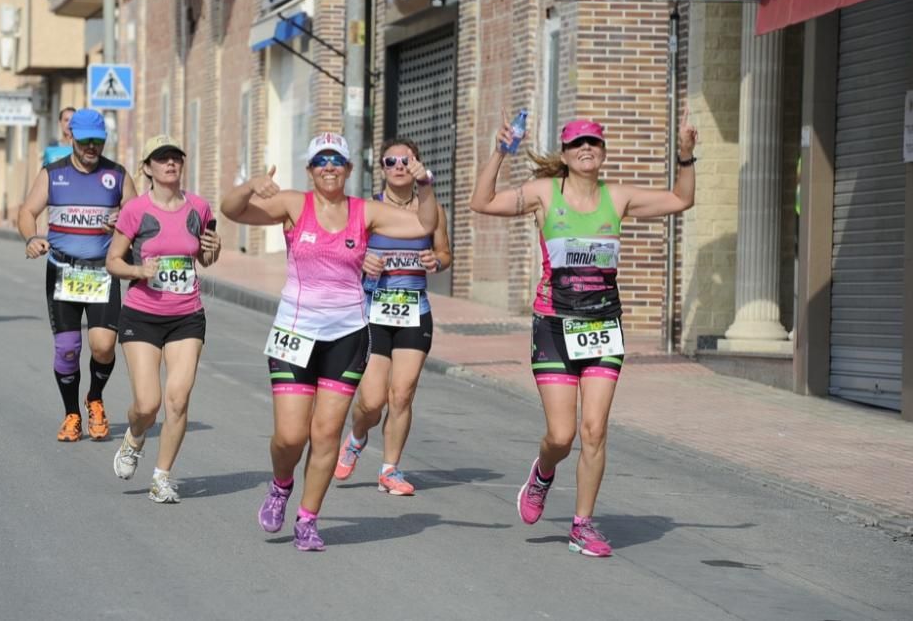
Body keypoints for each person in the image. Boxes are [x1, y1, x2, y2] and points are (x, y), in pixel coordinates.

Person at [469, 109, 697, 557]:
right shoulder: (542, 194)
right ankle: (542, 474)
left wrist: (686, 156)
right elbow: (482, 202)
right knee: (562, 436)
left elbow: (680, 200)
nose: (587, 149)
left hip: (603, 326)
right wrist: (498, 153)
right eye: (577, 144)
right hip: (553, 325)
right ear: (567, 155)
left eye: (594, 142)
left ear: (603, 152)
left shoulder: (620, 197)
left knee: (594, 430)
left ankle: (582, 524)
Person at [220, 132, 438, 551]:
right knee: (289, 436)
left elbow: (424, 224)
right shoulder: (292, 204)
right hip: (295, 332)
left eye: (336, 160)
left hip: (347, 334)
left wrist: (423, 183)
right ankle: (281, 485)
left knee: (325, 434)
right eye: (320, 161)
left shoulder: (365, 211)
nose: (328, 168)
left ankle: (307, 518)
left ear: (349, 169)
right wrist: (251, 185)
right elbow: (232, 211)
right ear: (310, 169)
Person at [334, 137, 451, 496]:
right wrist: (360, 261)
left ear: (417, 165)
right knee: (371, 402)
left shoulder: (431, 209)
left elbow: (444, 253)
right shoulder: (367, 210)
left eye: (406, 160)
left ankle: (390, 469)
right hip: (373, 312)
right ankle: (356, 437)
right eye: (390, 161)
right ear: (381, 168)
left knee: (402, 394)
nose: (399, 166)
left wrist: (436, 262)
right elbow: (340, 254)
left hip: (415, 311)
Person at [107, 135, 221, 503]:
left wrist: (212, 251)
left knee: (177, 399)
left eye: (175, 158)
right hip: (142, 315)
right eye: (161, 158)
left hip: (186, 316)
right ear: (147, 168)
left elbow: (204, 259)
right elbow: (113, 261)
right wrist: (139, 270)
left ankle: (162, 476)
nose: (170, 163)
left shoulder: (200, 208)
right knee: (147, 404)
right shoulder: (136, 210)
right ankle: (134, 438)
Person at [17, 108, 137, 442]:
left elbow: (139, 214)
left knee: (103, 346)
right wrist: (31, 237)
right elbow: (27, 212)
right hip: (63, 269)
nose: (91, 148)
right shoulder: (53, 174)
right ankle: (71, 413)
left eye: (98, 142)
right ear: (71, 137)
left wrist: (123, 221)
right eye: (85, 141)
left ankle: (95, 398)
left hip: (103, 270)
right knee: (68, 349)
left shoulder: (117, 174)